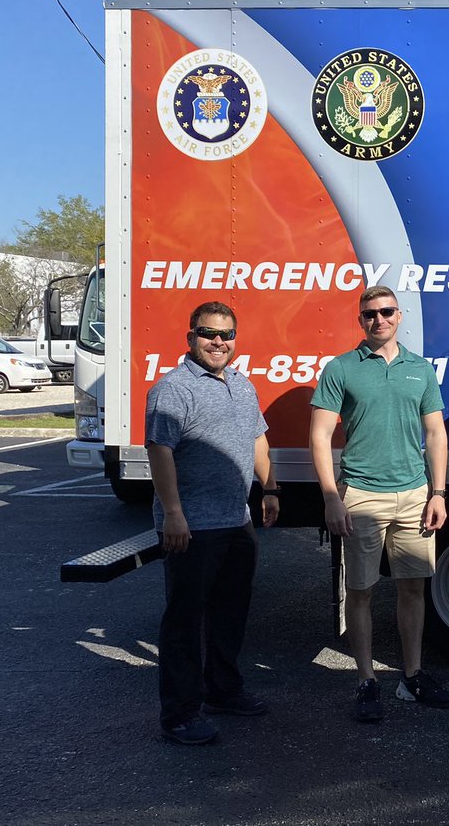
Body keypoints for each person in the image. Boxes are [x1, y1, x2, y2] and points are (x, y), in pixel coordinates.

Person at [309, 285, 449, 722]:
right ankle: (366, 680)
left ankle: (412, 676)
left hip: (414, 495)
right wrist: (331, 497)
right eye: (370, 314)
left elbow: (436, 433)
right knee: (360, 591)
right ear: (361, 320)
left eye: (386, 311)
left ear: (399, 316)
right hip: (361, 495)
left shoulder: (420, 369)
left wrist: (438, 493)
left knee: (413, 588)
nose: (379, 320)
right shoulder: (341, 368)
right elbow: (319, 436)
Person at [146, 301, 280, 746]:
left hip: (236, 519)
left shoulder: (242, 384)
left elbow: (258, 440)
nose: (218, 342)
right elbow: (160, 451)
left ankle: (223, 691)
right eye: (208, 333)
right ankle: (180, 715)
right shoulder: (172, 389)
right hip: (192, 525)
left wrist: (271, 488)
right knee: (184, 621)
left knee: (230, 613)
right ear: (191, 338)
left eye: (226, 335)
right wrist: (173, 513)